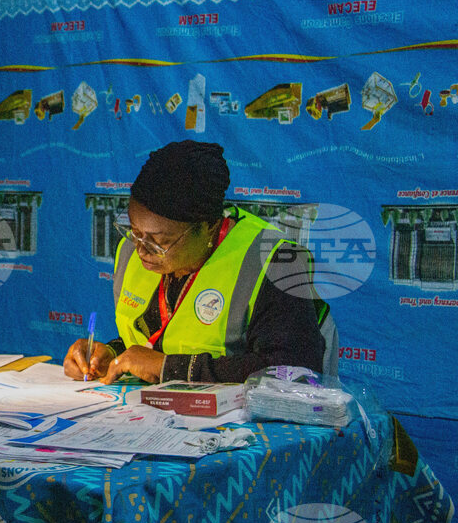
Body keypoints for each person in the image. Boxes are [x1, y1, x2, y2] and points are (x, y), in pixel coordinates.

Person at [64, 140, 332, 385]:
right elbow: (160, 338)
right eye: (134, 231)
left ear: (209, 227)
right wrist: (112, 354)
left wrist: (171, 368)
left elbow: (296, 369)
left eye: (160, 241)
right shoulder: (129, 253)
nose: (142, 250)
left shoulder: (274, 262)